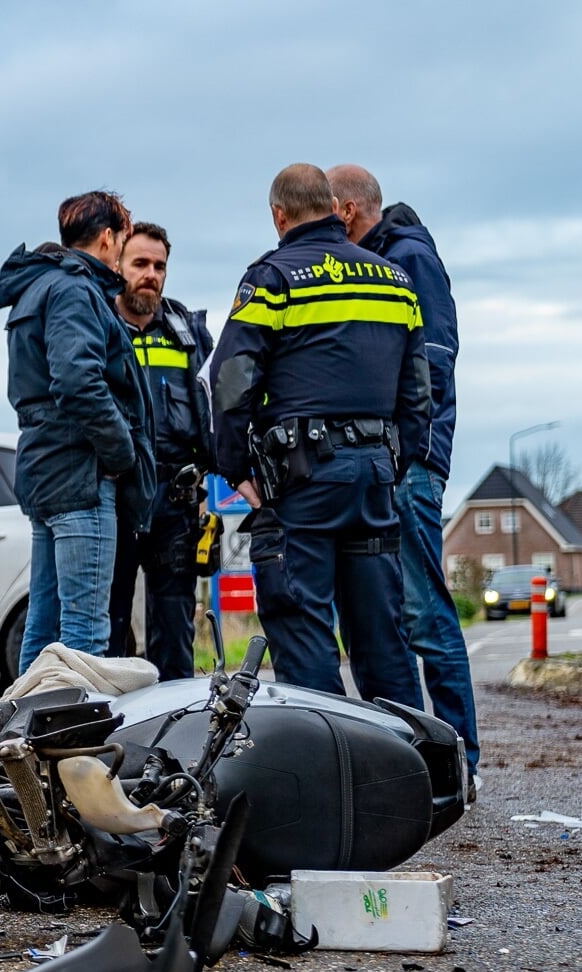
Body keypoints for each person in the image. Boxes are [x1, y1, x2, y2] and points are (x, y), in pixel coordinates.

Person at [209, 164, 430, 704]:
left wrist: (236, 467)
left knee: (304, 633)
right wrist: (393, 462)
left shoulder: (273, 278)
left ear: (278, 216)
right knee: (383, 636)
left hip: (300, 487)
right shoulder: (395, 280)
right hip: (374, 478)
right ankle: (413, 774)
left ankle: (328, 781)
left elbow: (231, 381)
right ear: (334, 207)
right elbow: (418, 390)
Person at [329, 164, 481, 781]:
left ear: (344, 210)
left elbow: (432, 362)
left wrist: (407, 451)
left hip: (408, 465)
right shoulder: (381, 258)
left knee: (423, 613)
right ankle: (419, 760)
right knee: (392, 615)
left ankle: (460, 760)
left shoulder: (409, 258)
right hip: (391, 461)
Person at [0, 191, 155, 667]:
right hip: (81, 475)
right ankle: (76, 742)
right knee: (85, 634)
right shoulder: (74, 290)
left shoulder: (37, 287)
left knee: (44, 629)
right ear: (108, 238)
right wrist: (121, 454)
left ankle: (22, 734)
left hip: (47, 470)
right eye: (124, 239)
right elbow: (77, 380)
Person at [106, 222, 215, 680]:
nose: (151, 274)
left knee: (174, 626)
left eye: (159, 266)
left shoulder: (186, 333)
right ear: (118, 266)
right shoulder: (101, 328)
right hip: (115, 494)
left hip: (175, 498)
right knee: (108, 625)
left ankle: (177, 733)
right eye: (140, 264)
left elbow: (207, 409)